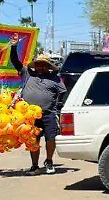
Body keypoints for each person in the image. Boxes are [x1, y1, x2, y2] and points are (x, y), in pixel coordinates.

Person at [8, 33, 67, 175]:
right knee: (33, 140)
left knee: (51, 139)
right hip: (29, 117)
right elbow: (15, 61)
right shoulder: (27, 73)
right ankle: (34, 166)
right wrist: (14, 46)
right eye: (39, 64)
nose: (41, 67)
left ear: (48, 66)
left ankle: (49, 161)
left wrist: (59, 106)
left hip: (49, 114)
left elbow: (64, 93)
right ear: (35, 65)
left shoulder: (55, 79)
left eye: (44, 65)